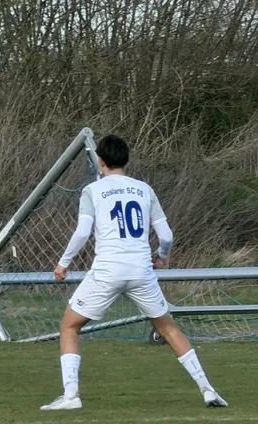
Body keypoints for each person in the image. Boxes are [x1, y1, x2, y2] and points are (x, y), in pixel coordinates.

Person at [41, 135, 227, 410]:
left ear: (100, 161)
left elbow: (82, 232)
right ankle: (207, 389)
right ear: (125, 161)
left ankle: (71, 397)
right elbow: (166, 234)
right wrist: (162, 257)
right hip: (141, 270)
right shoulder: (144, 189)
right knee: (168, 328)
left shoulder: (93, 191)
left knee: (70, 325)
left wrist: (63, 263)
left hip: (107, 270)